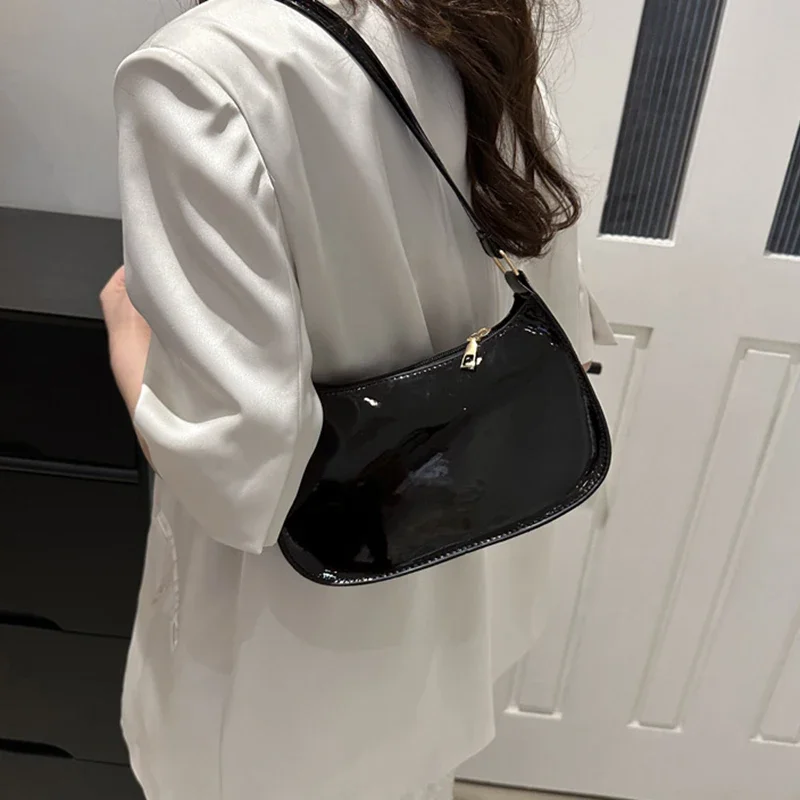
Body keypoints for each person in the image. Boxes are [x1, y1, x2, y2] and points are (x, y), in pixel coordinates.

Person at [100, 0, 615, 798]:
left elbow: (241, 475)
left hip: (293, 650)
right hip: (460, 589)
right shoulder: (466, 17)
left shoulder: (200, 73)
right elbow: (555, 297)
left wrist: (126, 335)